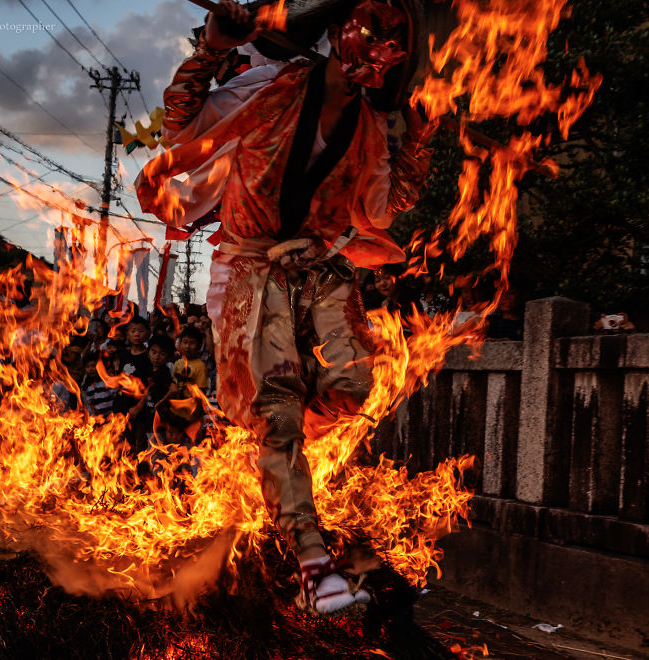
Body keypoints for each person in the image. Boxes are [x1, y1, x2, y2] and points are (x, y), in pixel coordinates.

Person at [137, 0, 435, 616]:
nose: (385, 49)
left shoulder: (375, 126)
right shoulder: (272, 86)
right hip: (249, 266)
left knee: (353, 387)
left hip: (321, 270)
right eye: (374, 31)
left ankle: (264, 449)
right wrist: (211, 50)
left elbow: (382, 210)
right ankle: (309, 560)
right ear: (335, 34)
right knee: (276, 405)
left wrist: (417, 136)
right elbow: (185, 129)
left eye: (397, 41)